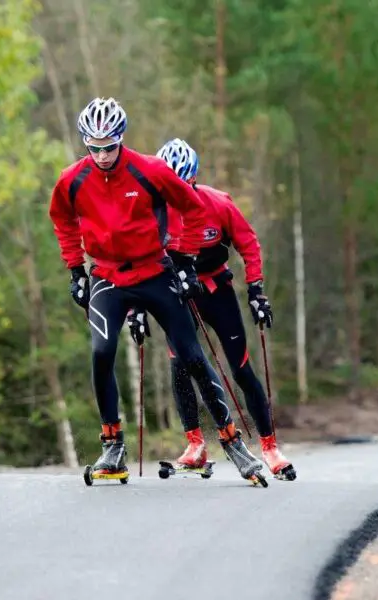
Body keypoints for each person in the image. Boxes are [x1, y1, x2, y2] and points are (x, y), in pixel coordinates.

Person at [48, 98, 264, 481]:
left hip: (155, 271)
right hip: (108, 278)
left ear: (121, 139)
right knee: (101, 352)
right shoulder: (72, 179)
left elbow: (192, 207)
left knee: (192, 357)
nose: (101, 155)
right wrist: (75, 270)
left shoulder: (150, 169)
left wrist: (184, 260)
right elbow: (62, 219)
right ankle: (112, 448)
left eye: (109, 146)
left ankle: (233, 443)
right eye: (93, 147)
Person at [126, 138, 296, 481]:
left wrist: (257, 292)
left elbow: (248, 243)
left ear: (191, 180)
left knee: (241, 367)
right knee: (180, 364)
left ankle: (269, 446)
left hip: (216, 289)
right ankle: (195, 446)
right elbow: (134, 259)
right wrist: (136, 309)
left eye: (180, 186)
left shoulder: (218, 204)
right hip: (176, 291)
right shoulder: (149, 209)